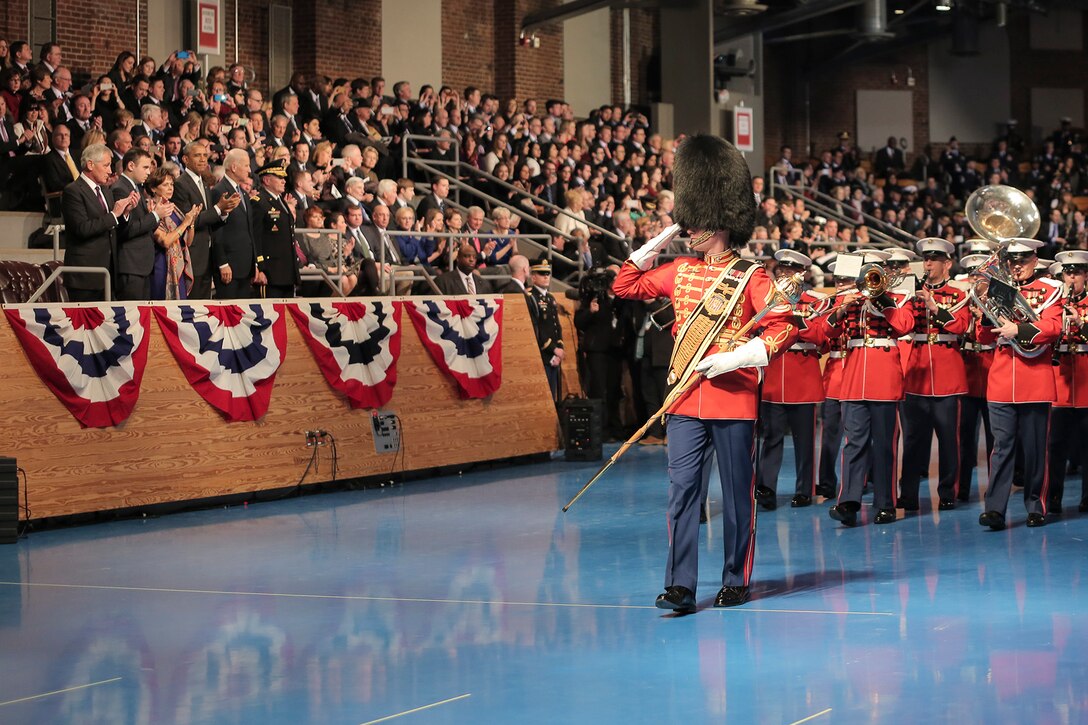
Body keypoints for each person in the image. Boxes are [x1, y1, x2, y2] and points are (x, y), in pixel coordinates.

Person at [612, 134, 798, 612]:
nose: (688, 224)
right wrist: (664, 235)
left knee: (737, 497)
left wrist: (734, 359)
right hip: (684, 401)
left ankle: (735, 578)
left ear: (716, 222)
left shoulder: (752, 275)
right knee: (682, 496)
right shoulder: (680, 270)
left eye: (693, 219)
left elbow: (784, 329)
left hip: (732, 397)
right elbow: (624, 283)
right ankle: (680, 584)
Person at [811, 250, 916, 526]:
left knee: (884, 445)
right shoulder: (849, 300)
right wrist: (842, 307)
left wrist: (882, 299)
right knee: (854, 443)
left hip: (884, 378)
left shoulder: (900, 296)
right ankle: (848, 501)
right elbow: (826, 332)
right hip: (854, 378)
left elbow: (904, 325)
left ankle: (886, 503)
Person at [975, 237, 1062, 529]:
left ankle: (1036, 505)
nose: (1017, 266)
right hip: (1001, 379)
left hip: (1034, 378)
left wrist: (1019, 328)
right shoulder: (997, 288)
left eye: (1023, 260)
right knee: (1001, 447)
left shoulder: (1051, 289)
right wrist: (988, 320)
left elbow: (1053, 326)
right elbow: (981, 336)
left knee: (1035, 447)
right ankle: (995, 508)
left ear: (1034, 260)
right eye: (1012, 261)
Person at [897, 238, 971, 511]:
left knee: (949, 438)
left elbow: (961, 325)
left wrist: (934, 307)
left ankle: (948, 491)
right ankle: (908, 494)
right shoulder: (911, 291)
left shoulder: (958, 293)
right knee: (914, 440)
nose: (927, 264)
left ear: (947, 263)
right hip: (916, 375)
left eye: (934, 259)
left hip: (947, 376)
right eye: (926, 259)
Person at [755, 249, 829, 509]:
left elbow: (821, 336)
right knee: (771, 436)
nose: (785, 276)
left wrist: (795, 321)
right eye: (782, 271)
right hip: (775, 374)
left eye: (790, 272)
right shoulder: (766, 300)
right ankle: (765, 487)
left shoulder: (814, 301)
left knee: (804, 439)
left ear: (802, 274)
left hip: (803, 376)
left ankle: (804, 489)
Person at [61, 143, 138, 301]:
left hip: (108, 275)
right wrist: (114, 214)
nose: (110, 171)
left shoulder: (105, 191)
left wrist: (125, 213)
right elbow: (82, 228)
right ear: (90, 164)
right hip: (84, 277)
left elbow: (113, 228)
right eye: (106, 165)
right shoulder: (73, 191)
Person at [1047, 250, 1088, 513]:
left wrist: (1080, 323)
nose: (1071, 277)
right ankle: (1052, 499)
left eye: (1076, 273)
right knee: (1055, 445)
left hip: (1086, 382)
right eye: (1067, 273)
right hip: (1059, 382)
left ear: (1085, 276)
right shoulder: (1053, 303)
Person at [171, 141, 237, 298]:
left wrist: (224, 212)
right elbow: (190, 221)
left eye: (205, 155)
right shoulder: (180, 184)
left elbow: (210, 218)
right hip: (193, 256)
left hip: (208, 257)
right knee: (193, 308)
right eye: (197, 155)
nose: (202, 159)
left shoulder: (205, 183)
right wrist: (218, 208)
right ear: (185, 159)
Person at [112, 148, 170, 300]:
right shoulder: (120, 189)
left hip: (141, 266)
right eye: (145, 167)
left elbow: (143, 225)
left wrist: (154, 216)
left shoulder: (135, 188)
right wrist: (155, 215)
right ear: (131, 166)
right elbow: (126, 230)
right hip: (131, 266)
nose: (148, 172)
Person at [210, 147, 258, 299]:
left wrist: (254, 263)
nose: (249, 170)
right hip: (229, 267)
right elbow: (216, 230)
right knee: (229, 316)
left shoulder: (242, 192)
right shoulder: (219, 191)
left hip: (245, 266)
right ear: (234, 167)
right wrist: (222, 263)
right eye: (246, 165)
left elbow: (249, 229)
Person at [147, 166, 198, 300]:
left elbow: (188, 242)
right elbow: (165, 241)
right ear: (153, 188)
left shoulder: (174, 209)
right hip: (161, 266)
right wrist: (185, 223)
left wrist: (191, 222)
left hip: (178, 268)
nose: (170, 188)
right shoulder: (151, 209)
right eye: (165, 185)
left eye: (172, 184)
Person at [251, 160, 299, 298]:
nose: (284, 181)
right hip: (270, 271)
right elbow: (256, 237)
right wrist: (259, 267)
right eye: (279, 177)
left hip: (286, 270)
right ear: (266, 180)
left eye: (283, 177)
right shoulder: (259, 202)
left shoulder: (281, 201)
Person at [526, 255, 564, 401]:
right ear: (533, 277)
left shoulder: (550, 298)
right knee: (545, 397)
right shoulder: (531, 297)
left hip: (555, 355)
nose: (546, 277)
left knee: (554, 396)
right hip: (544, 353)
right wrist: (553, 349)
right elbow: (537, 328)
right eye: (542, 274)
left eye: (547, 273)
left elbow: (556, 326)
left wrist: (560, 347)